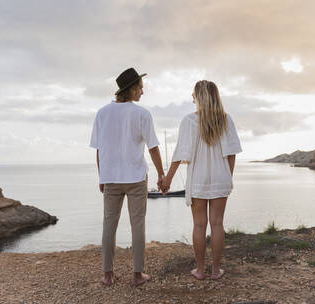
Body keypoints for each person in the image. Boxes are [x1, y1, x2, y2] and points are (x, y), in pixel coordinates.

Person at [90, 67, 165, 287]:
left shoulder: (102, 113)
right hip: (135, 178)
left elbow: (99, 150)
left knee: (108, 225)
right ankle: (137, 275)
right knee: (137, 225)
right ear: (131, 89)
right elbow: (153, 147)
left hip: (111, 177)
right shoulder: (142, 114)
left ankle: (107, 275)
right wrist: (161, 174)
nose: (142, 92)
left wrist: (101, 177)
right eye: (140, 88)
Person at [161, 80, 242, 280]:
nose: (191, 98)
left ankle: (200, 270)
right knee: (217, 224)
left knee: (199, 225)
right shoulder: (226, 119)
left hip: (197, 178)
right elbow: (232, 154)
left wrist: (167, 180)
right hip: (220, 177)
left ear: (198, 97)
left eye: (193, 95)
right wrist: (226, 178)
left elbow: (180, 154)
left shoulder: (188, 121)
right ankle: (215, 270)